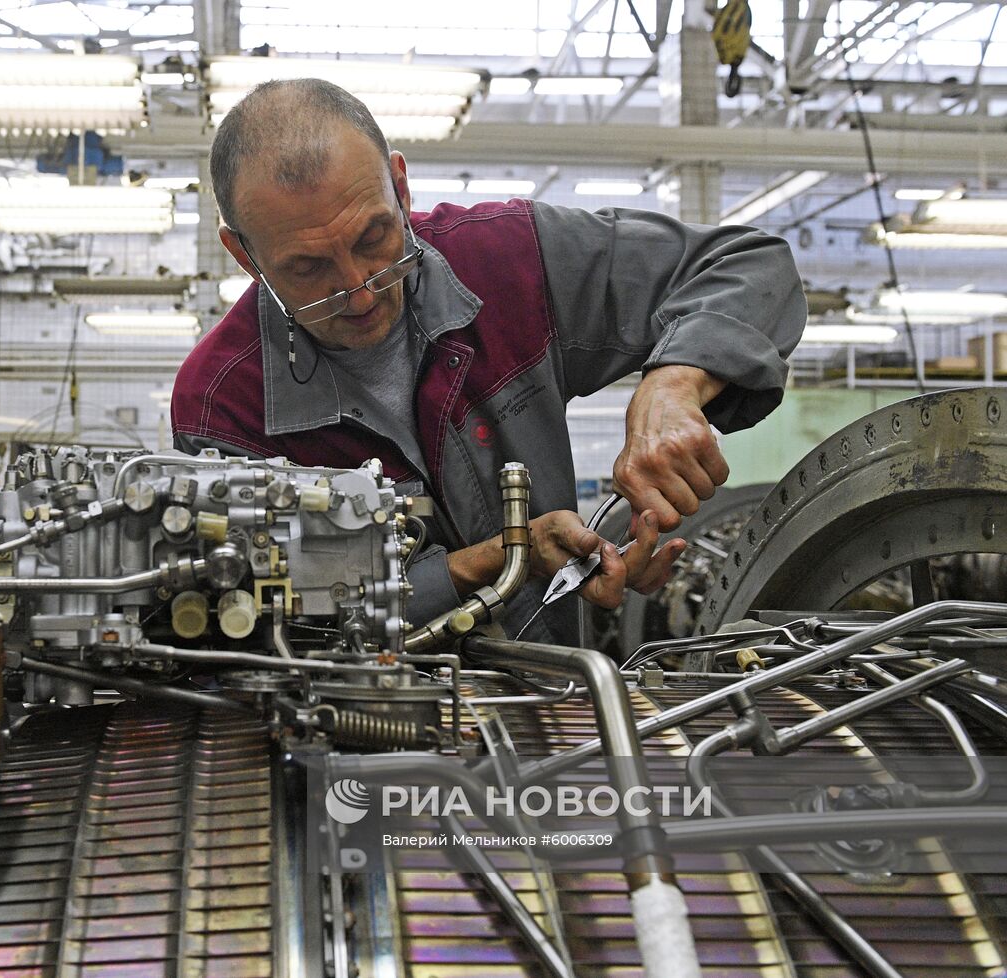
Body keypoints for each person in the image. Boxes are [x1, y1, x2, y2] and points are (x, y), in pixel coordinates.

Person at [171, 79, 806, 644]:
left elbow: (749, 266)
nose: (361, 291)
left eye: (374, 237)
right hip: (353, 720)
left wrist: (674, 382)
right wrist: (504, 558)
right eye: (308, 269)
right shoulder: (222, 405)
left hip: (552, 700)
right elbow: (263, 617)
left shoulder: (512, 263)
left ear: (400, 186)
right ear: (244, 255)